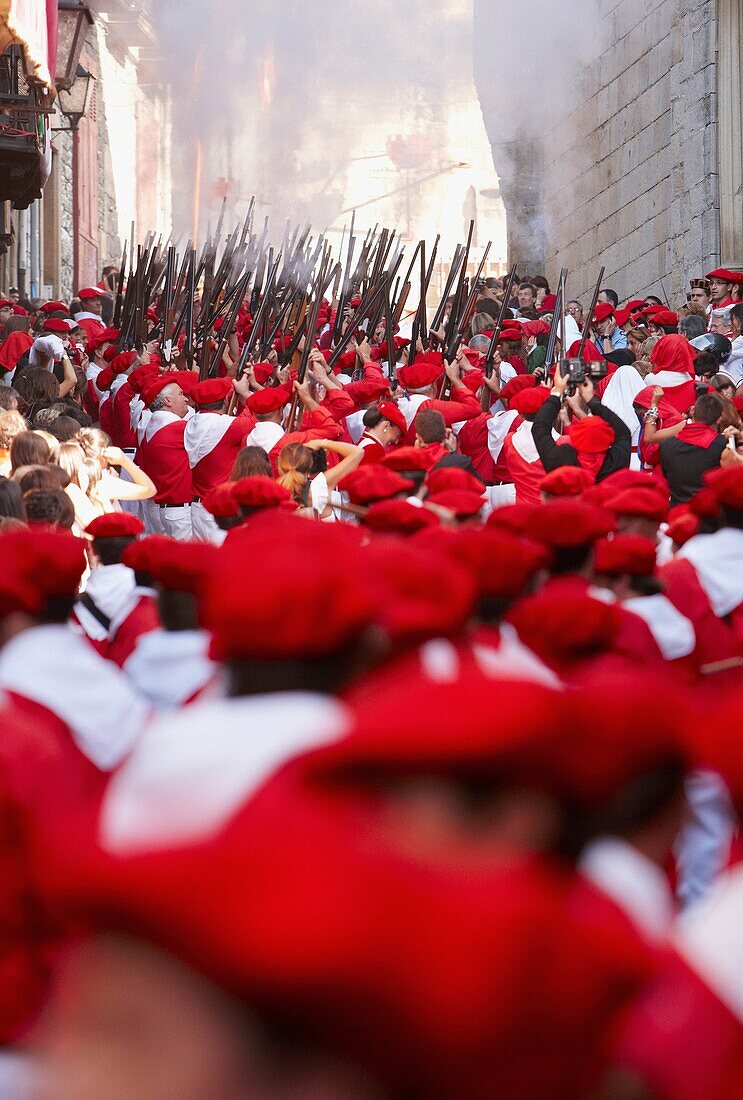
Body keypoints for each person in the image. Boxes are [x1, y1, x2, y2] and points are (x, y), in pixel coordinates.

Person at [532, 370, 632, 482]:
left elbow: (539, 427)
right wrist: (591, 400)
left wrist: (556, 394)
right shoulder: (616, 460)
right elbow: (623, 432)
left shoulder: (562, 459)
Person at [135, 377, 194, 540]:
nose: (186, 399)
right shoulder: (176, 428)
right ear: (168, 400)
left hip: (159, 507)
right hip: (179, 512)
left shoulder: (150, 427)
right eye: (181, 394)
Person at [659, 392, 726, 506]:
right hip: (709, 513)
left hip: (677, 511)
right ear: (719, 419)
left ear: (693, 413)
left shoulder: (667, 444)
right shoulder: (723, 444)